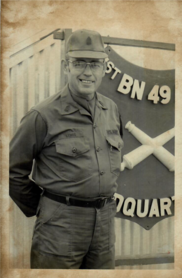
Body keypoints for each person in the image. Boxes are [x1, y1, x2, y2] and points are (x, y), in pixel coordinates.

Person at [9, 29, 124, 269]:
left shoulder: (111, 110)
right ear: (66, 67)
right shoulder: (43, 115)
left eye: (94, 64)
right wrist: (44, 208)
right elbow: (10, 170)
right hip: (60, 227)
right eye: (79, 63)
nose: (87, 72)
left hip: (104, 224)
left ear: (104, 68)